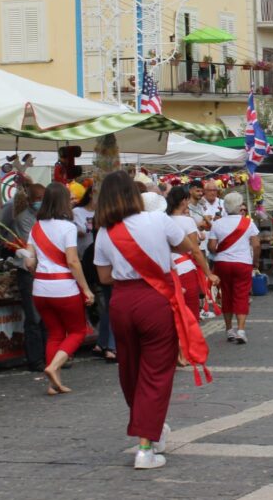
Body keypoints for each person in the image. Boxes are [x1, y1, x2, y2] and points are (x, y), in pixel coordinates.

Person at [93, 171, 208, 470]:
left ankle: (150, 428)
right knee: (156, 372)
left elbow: (104, 277)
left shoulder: (105, 232)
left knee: (130, 369)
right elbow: (186, 247)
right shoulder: (157, 220)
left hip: (121, 302)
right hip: (155, 300)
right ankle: (145, 447)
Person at [24, 183, 95, 395]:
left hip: (40, 288)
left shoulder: (36, 227)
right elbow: (73, 261)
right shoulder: (68, 227)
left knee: (54, 332)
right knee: (78, 331)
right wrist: (86, 289)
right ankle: (54, 367)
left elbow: (29, 262)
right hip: (64, 287)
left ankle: (53, 383)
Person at [209, 192, 260, 344]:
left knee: (226, 295)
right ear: (239, 206)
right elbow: (256, 244)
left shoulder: (217, 224)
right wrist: (255, 261)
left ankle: (229, 329)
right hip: (242, 263)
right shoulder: (248, 223)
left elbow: (212, 247)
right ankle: (241, 330)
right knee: (241, 295)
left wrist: (221, 252)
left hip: (222, 263)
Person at [166, 186, 215, 322]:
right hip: (185, 269)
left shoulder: (164, 219)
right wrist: (209, 274)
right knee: (191, 314)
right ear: (183, 201)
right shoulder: (187, 221)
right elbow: (195, 251)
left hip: (168, 269)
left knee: (174, 313)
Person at [14, 182, 48, 372]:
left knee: (47, 316)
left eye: (42, 199)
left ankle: (49, 354)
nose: (39, 203)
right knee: (34, 317)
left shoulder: (48, 217)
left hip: (45, 271)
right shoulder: (24, 219)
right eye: (36, 199)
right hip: (29, 271)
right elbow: (33, 245)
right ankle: (36, 359)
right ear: (28, 200)